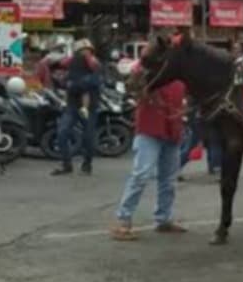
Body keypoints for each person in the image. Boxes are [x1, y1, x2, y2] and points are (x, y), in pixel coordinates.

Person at [111, 61, 188, 240]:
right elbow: (133, 83)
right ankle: (123, 219)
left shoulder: (181, 76)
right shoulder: (149, 71)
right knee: (141, 175)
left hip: (172, 130)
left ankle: (163, 218)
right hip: (150, 129)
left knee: (168, 179)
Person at [53, 39, 101, 176]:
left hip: (89, 106)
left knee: (88, 137)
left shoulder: (95, 65)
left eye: (87, 51)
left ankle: (87, 164)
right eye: (81, 51)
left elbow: (92, 83)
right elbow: (62, 77)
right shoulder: (72, 65)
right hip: (72, 104)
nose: (84, 53)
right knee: (62, 132)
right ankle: (66, 164)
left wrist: (74, 84)